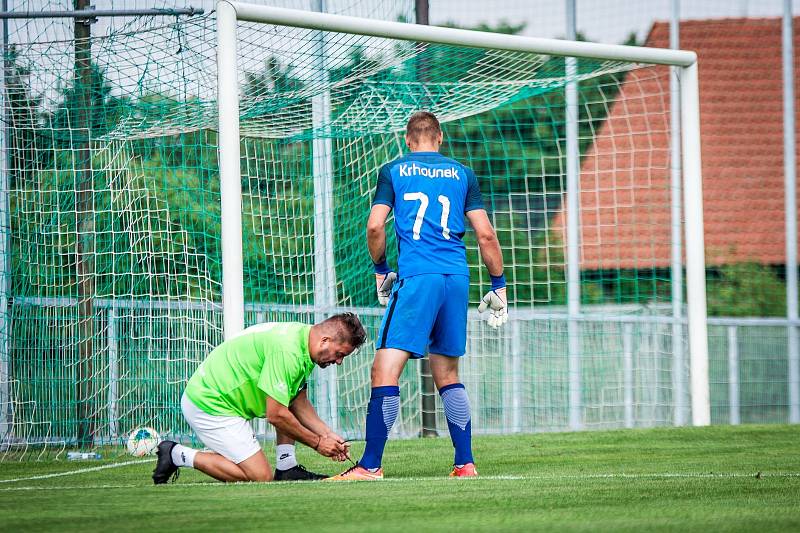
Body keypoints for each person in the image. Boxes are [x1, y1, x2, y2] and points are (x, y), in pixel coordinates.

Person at [327, 111, 507, 481]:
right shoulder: (462, 174)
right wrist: (498, 284)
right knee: (448, 372)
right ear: (440, 138)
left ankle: (370, 465)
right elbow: (486, 235)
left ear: (407, 141)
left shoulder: (393, 170)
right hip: (456, 278)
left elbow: (375, 225)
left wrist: (381, 270)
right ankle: (465, 464)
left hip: (418, 277)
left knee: (384, 369)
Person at [152, 313, 367, 484]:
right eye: (340, 354)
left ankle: (286, 467)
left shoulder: (303, 339)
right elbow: (275, 415)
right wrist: (318, 443)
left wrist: (328, 435)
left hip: (221, 399)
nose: (339, 362)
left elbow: (297, 401)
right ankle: (177, 454)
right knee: (260, 475)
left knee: (286, 401)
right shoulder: (288, 353)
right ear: (325, 340)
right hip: (209, 404)